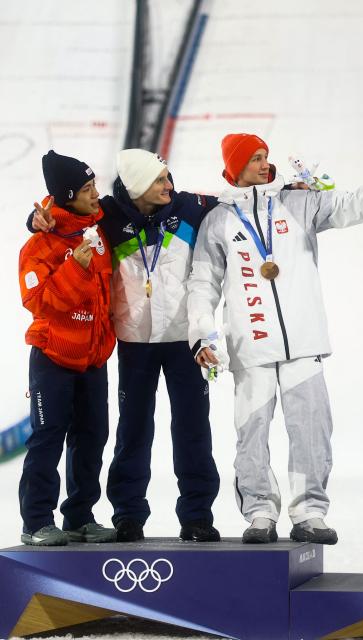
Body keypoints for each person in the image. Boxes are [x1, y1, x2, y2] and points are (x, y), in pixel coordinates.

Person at [187, 133, 363, 545]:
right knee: (251, 434)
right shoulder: (217, 221)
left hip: (303, 344)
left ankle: (309, 511)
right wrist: (202, 334)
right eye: (255, 159)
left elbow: (351, 206)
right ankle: (259, 513)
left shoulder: (297, 202)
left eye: (264, 157)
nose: (264, 164)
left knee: (312, 429)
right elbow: (202, 282)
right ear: (235, 167)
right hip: (250, 347)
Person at [30, 149, 221, 543]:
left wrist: (288, 189)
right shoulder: (110, 216)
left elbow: (240, 200)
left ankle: (197, 514)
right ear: (136, 186)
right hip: (134, 343)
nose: (169, 185)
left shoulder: (188, 207)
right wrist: (35, 220)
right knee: (132, 432)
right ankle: (128, 514)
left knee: (193, 429)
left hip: (184, 341)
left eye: (169, 177)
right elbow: (65, 214)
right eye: (159, 180)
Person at [19, 150, 116, 545]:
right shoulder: (38, 247)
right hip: (53, 358)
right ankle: (36, 522)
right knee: (47, 438)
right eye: (88, 189)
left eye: (96, 186)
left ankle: (79, 516)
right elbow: (39, 303)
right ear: (68, 194)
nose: (97, 195)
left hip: (93, 358)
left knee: (92, 437)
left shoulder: (99, 227)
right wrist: (75, 267)